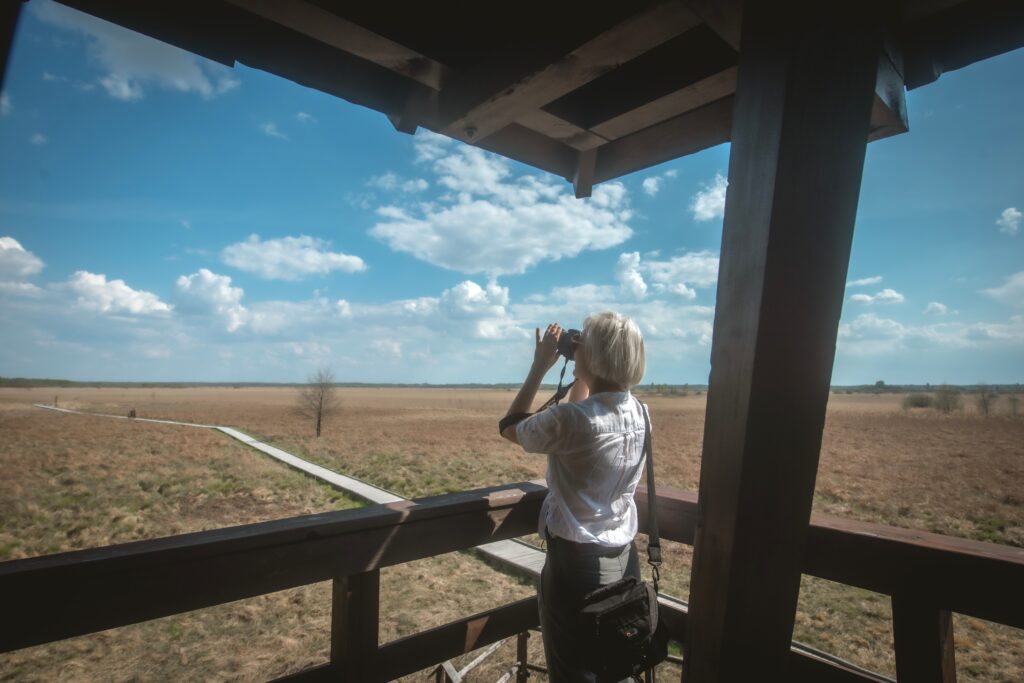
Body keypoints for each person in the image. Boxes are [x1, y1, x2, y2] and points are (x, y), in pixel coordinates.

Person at [500, 311, 648, 682]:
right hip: (625, 561)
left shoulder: (573, 422)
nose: (575, 347)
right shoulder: (640, 413)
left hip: (575, 569)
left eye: (582, 344)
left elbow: (510, 427)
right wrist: (582, 369)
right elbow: (587, 408)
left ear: (594, 358)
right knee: (616, 666)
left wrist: (540, 366)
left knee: (573, 672)